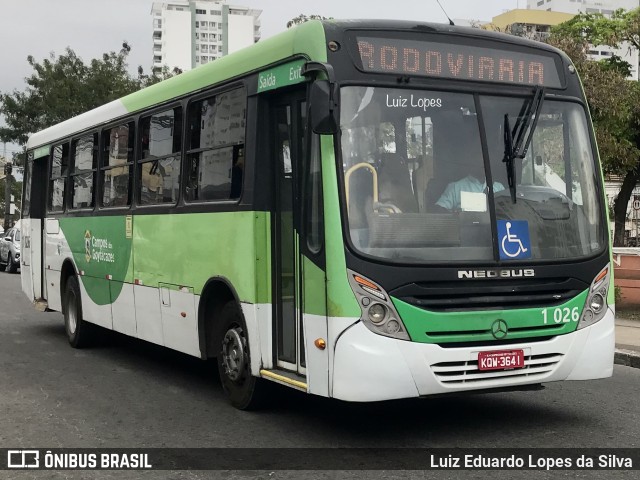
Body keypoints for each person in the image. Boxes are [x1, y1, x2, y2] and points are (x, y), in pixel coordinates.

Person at [436, 161, 505, 211]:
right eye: (478, 160)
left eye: (484, 161)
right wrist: (456, 214)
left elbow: (507, 211)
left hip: (494, 230)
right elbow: (439, 208)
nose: (482, 164)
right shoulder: (455, 187)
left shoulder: (498, 187)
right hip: (464, 230)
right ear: (470, 164)